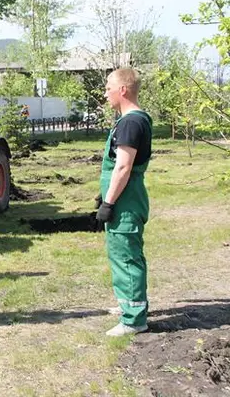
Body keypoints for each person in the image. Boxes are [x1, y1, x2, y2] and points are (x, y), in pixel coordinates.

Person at [96, 68, 153, 337]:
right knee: (124, 255)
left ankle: (134, 319)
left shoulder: (131, 122)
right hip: (126, 198)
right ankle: (128, 305)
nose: (105, 93)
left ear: (123, 90)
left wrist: (108, 203)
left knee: (126, 258)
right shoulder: (131, 120)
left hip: (125, 203)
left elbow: (122, 168)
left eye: (108, 87)